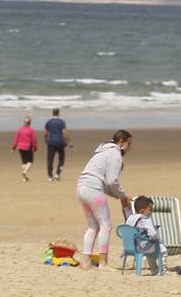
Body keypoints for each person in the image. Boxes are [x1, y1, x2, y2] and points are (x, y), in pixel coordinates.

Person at [75, 130, 132, 270]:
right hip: (93, 189)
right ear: (121, 142)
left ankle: (86, 261)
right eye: (129, 143)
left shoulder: (102, 151)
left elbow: (107, 185)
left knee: (93, 226)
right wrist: (123, 196)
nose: (130, 147)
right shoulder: (115, 153)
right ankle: (103, 262)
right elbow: (112, 181)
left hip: (82, 188)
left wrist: (120, 197)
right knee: (105, 226)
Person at [124, 195, 165, 272]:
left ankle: (154, 270)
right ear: (142, 211)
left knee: (150, 250)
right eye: (150, 209)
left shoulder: (130, 218)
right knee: (162, 249)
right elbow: (153, 234)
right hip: (144, 247)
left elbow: (126, 230)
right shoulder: (145, 219)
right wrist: (156, 239)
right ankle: (162, 270)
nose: (152, 212)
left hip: (132, 247)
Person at [44, 108, 70, 181]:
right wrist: (68, 141)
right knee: (61, 158)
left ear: (52, 113)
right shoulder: (61, 122)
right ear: (58, 113)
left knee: (50, 159)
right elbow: (64, 132)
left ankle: (50, 176)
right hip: (59, 142)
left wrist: (45, 140)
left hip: (51, 142)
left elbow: (46, 133)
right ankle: (57, 174)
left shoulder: (49, 122)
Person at [11, 116, 38, 183]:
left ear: (24, 122)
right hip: (28, 147)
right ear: (30, 123)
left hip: (20, 147)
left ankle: (24, 178)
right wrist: (35, 148)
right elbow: (34, 140)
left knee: (24, 162)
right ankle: (25, 171)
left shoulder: (20, 129)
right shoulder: (31, 130)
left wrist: (13, 148)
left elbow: (16, 139)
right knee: (30, 161)